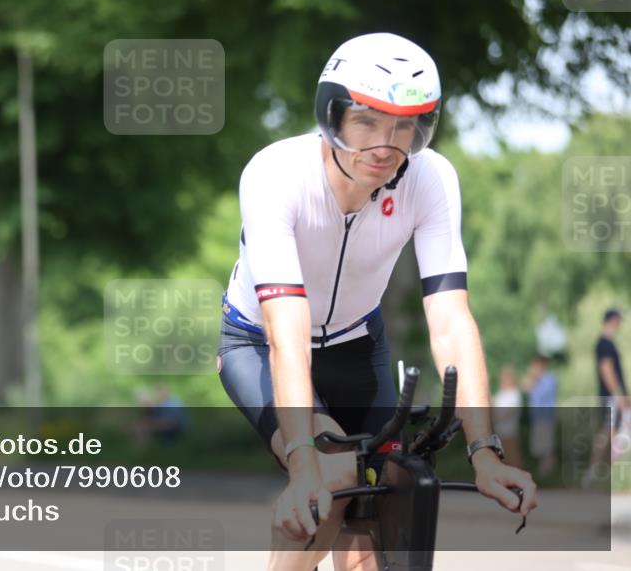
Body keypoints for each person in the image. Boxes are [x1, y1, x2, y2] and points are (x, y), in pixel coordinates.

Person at [216, 33, 537, 571]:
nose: (386, 144)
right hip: (261, 343)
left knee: (376, 527)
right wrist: (302, 463)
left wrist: (484, 450)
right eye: (366, 120)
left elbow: (451, 319)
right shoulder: (274, 175)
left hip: (359, 346)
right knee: (332, 473)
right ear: (331, 116)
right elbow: (286, 332)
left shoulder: (431, 178)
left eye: (404, 126)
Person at [585, 308, 629, 485]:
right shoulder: (605, 343)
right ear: (613, 320)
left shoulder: (608, 343)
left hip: (613, 396)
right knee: (606, 433)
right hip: (611, 397)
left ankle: (610, 473)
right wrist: (619, 395)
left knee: (615, 433)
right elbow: (607, 370)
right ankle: (593, 473)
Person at [522, 355, 558, 477]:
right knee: (539, 448)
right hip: (537, 418)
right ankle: (544, 473)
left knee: (547, 448)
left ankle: (548, 474)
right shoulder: (537, 380)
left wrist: (532, 382)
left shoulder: (549, 379)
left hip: (546, 417)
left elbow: (540, 395)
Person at [492, 365, 523, 467]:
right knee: (502, 457)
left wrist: (497, 415)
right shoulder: (500, 393)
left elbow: (510, 411)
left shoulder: (514, 393)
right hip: (499, 430)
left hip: (509, 430)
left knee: (512, 456)